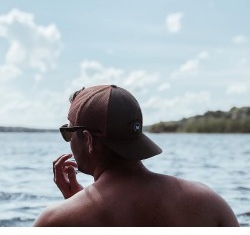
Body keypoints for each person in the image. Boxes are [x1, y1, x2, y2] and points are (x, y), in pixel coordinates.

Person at [33, 84, 239, 227]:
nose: (69, 141)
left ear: (87, 139)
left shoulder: (55, 221)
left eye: (69, 132)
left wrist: (75, 206)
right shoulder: (209, 202)